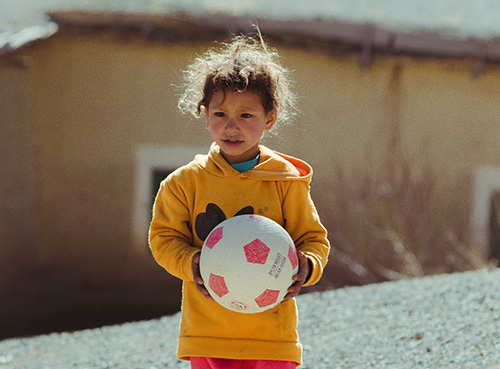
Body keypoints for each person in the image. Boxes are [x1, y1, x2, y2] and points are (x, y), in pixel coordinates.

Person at [149, 31, 330, 369]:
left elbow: (314, 239)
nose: (231, 126)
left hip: (271, 336)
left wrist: (307, 265)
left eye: (246, 115)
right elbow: (163, 239)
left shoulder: (286, 182)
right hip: (208, 332)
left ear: (270, 118)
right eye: (220, 114)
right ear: (205, 115)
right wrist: (192, 262)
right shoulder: (184, 183)